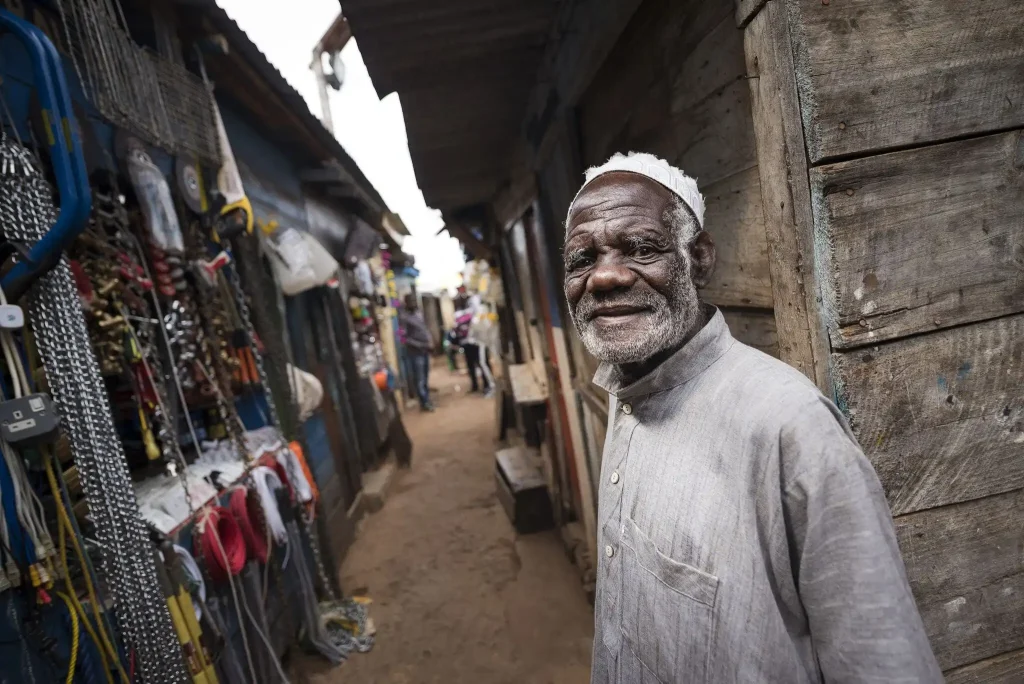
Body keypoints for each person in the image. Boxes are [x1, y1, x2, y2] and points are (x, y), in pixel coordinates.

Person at [563, 152, 941, 683]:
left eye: (642, 248)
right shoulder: (622, 390)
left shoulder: (789, 425)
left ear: (699, 259)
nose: (603, 277)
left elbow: (883, 665)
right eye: (582, 259)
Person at [400, 294, 434, 412]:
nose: (413, 303)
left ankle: (427, 400)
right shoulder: (404, 318)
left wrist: (430, 342)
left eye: (414, 300)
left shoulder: (419, 314)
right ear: (406, 303)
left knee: (425, 377)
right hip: (415, 353)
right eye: (411, 301)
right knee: (419, 379)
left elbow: (425, 330)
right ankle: (424, 403)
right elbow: (403, 339)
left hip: (425, 351)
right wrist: (420, 345)